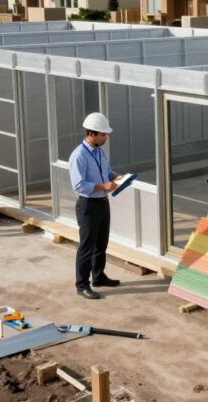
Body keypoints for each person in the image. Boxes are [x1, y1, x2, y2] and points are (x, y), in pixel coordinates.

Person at [68, 112, 123, 300]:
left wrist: (115, 177)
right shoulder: (79, 156)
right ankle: (82, 285)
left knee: (101, 243)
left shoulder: (99, 151)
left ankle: (98, 277)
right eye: (103, 134)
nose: (106, 137)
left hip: (102, 203)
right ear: (92, 134)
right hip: (88, 206)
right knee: (86, 246)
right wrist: (103, 186)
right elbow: (79, 185)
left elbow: (106, 171)